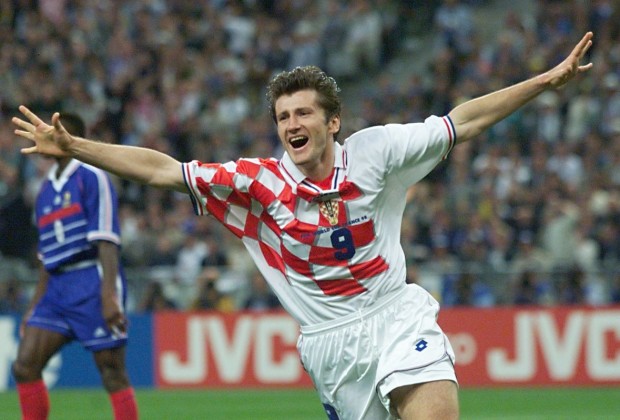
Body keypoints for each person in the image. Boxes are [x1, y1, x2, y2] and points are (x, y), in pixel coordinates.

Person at [12, 32, 593, 420]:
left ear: (332, 120)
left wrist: (542, 83)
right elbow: (163, 170)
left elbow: (462, 121)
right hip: (329, 344)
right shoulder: (257, 182)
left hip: (394, 314)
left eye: (304, 112)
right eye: (283, 115)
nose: (292, 122)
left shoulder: (377, 152)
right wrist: (75, 147)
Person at [11, 113, 138, 420]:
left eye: (53, 132)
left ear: (70, 137)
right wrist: (34, 304)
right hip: (56, 287)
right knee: (24, 365)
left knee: (112, 372)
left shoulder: (92, 176)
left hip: (91, 279)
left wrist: (109, 294)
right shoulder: (44, 191)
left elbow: (107, 239)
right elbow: (45, 255)